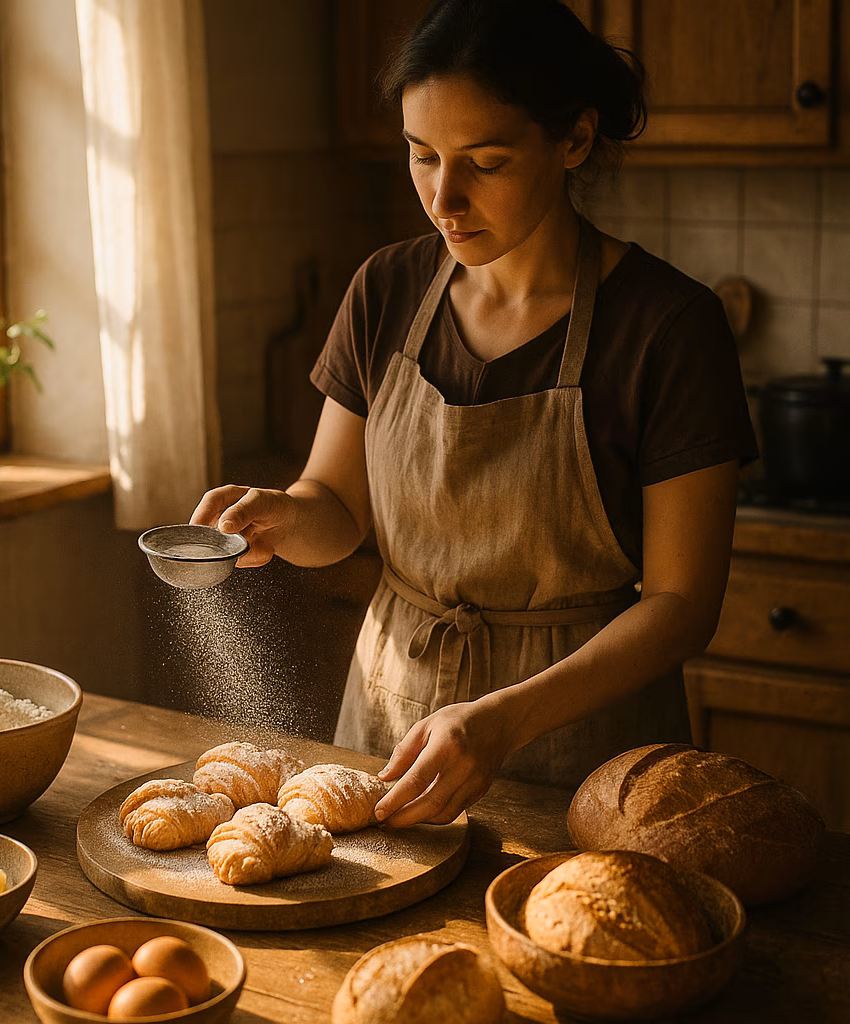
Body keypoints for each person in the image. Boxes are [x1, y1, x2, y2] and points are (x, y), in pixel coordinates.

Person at [191, 0, 758, 828]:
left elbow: (681, 605)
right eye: (422, 156)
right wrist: (281, 517)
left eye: (485, 162)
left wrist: (507, 718)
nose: (443, 198)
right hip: (392, 727)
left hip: (583, 750)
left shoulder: (669, 326)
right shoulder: (386, 288)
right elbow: (338, 508)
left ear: (573, 140)